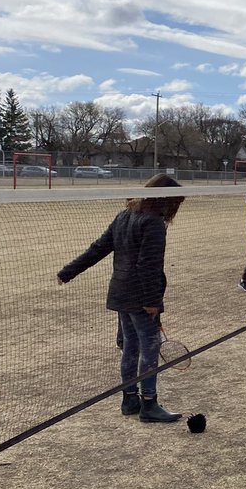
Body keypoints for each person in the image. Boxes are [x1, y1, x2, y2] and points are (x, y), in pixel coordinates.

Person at [57, 173, 185, 423]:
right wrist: (152, 301)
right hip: (139, 296)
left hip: (121, 293)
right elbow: (148, 264)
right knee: (149, 347)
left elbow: (98, 248)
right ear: (165, 199)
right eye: (175, 202)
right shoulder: (153, 223)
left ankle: (129, 400)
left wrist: (67, 271)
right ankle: (149, 403)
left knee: (130, 346)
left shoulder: (125, 215)